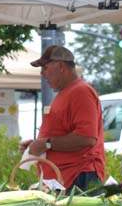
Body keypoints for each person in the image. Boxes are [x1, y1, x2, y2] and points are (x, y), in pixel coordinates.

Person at [22, 45, 106, 190]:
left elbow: (87, 138)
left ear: (60, 66)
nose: (42, 73)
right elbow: (61, 133)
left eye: (45, 68)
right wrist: (37, 144)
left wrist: (46, 144)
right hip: (66, 178)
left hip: (79, 177)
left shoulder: (81, 91)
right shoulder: (66, 93)